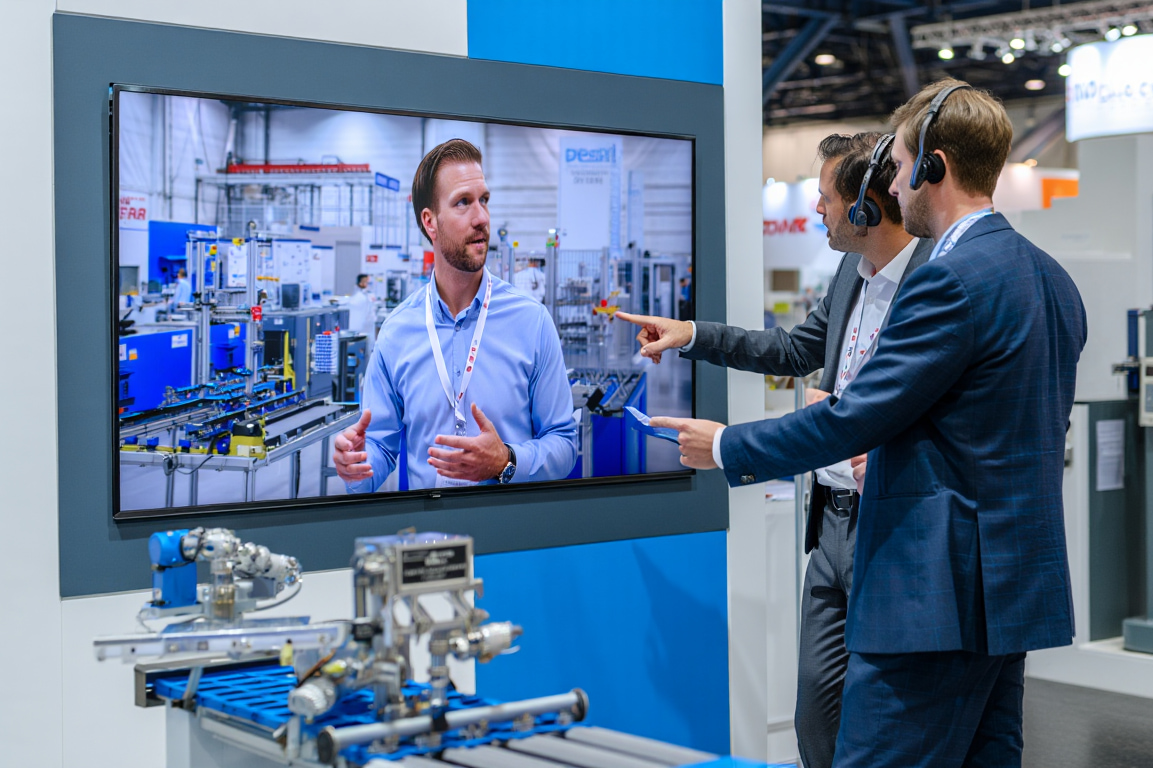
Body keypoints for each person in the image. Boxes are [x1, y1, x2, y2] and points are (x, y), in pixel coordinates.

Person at [654, 79, 1087, 767]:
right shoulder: (1049, 278)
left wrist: (728, 444)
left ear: (932, 167)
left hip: (934, 592)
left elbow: (851, 418)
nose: (893, 186)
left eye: (901, 167)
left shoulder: (948, 281)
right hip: (1009, 590)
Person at [616, 131, 934, 768]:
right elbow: (793, 350)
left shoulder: (934, 281)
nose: (817, 209)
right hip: (832, 527)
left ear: (867, 204)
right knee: (815, 712)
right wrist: (692, 336)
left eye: (825, 199)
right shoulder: (852, 273)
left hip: (894, 527)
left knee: (889, 715)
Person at [333, 139, 577, 491]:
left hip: (512, 535)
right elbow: (380, 447)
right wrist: (356, 465)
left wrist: (506, 460)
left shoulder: (532, 322)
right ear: (430, 222)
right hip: (428, 538)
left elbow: (565, 443)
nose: (481, 217)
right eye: (463, 203)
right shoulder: (397, 332)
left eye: (484, 200)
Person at [347, 273, 379, 340]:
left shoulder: (367, 295)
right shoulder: (359, 296)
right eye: (366, 282)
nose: (368, 284)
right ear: (361, 283)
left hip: (368, 326)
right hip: (361, 328)